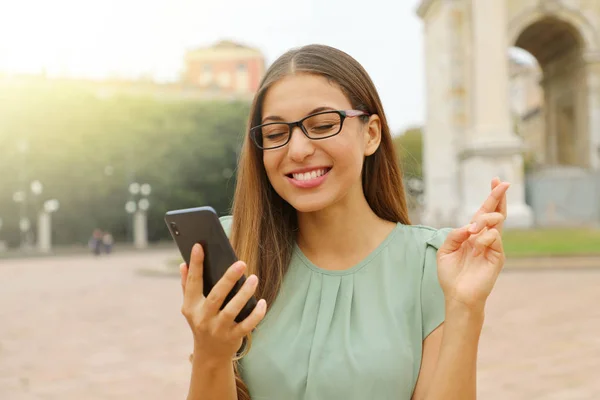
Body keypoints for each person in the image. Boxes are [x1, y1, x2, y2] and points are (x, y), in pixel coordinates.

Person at [178, 44, 510, 400]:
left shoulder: (433, 263)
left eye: (322, 125)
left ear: (371, 134)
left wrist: (466, 308)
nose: (298, 150)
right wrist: (211, 353)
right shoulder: (233, 247)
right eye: (275, 134)